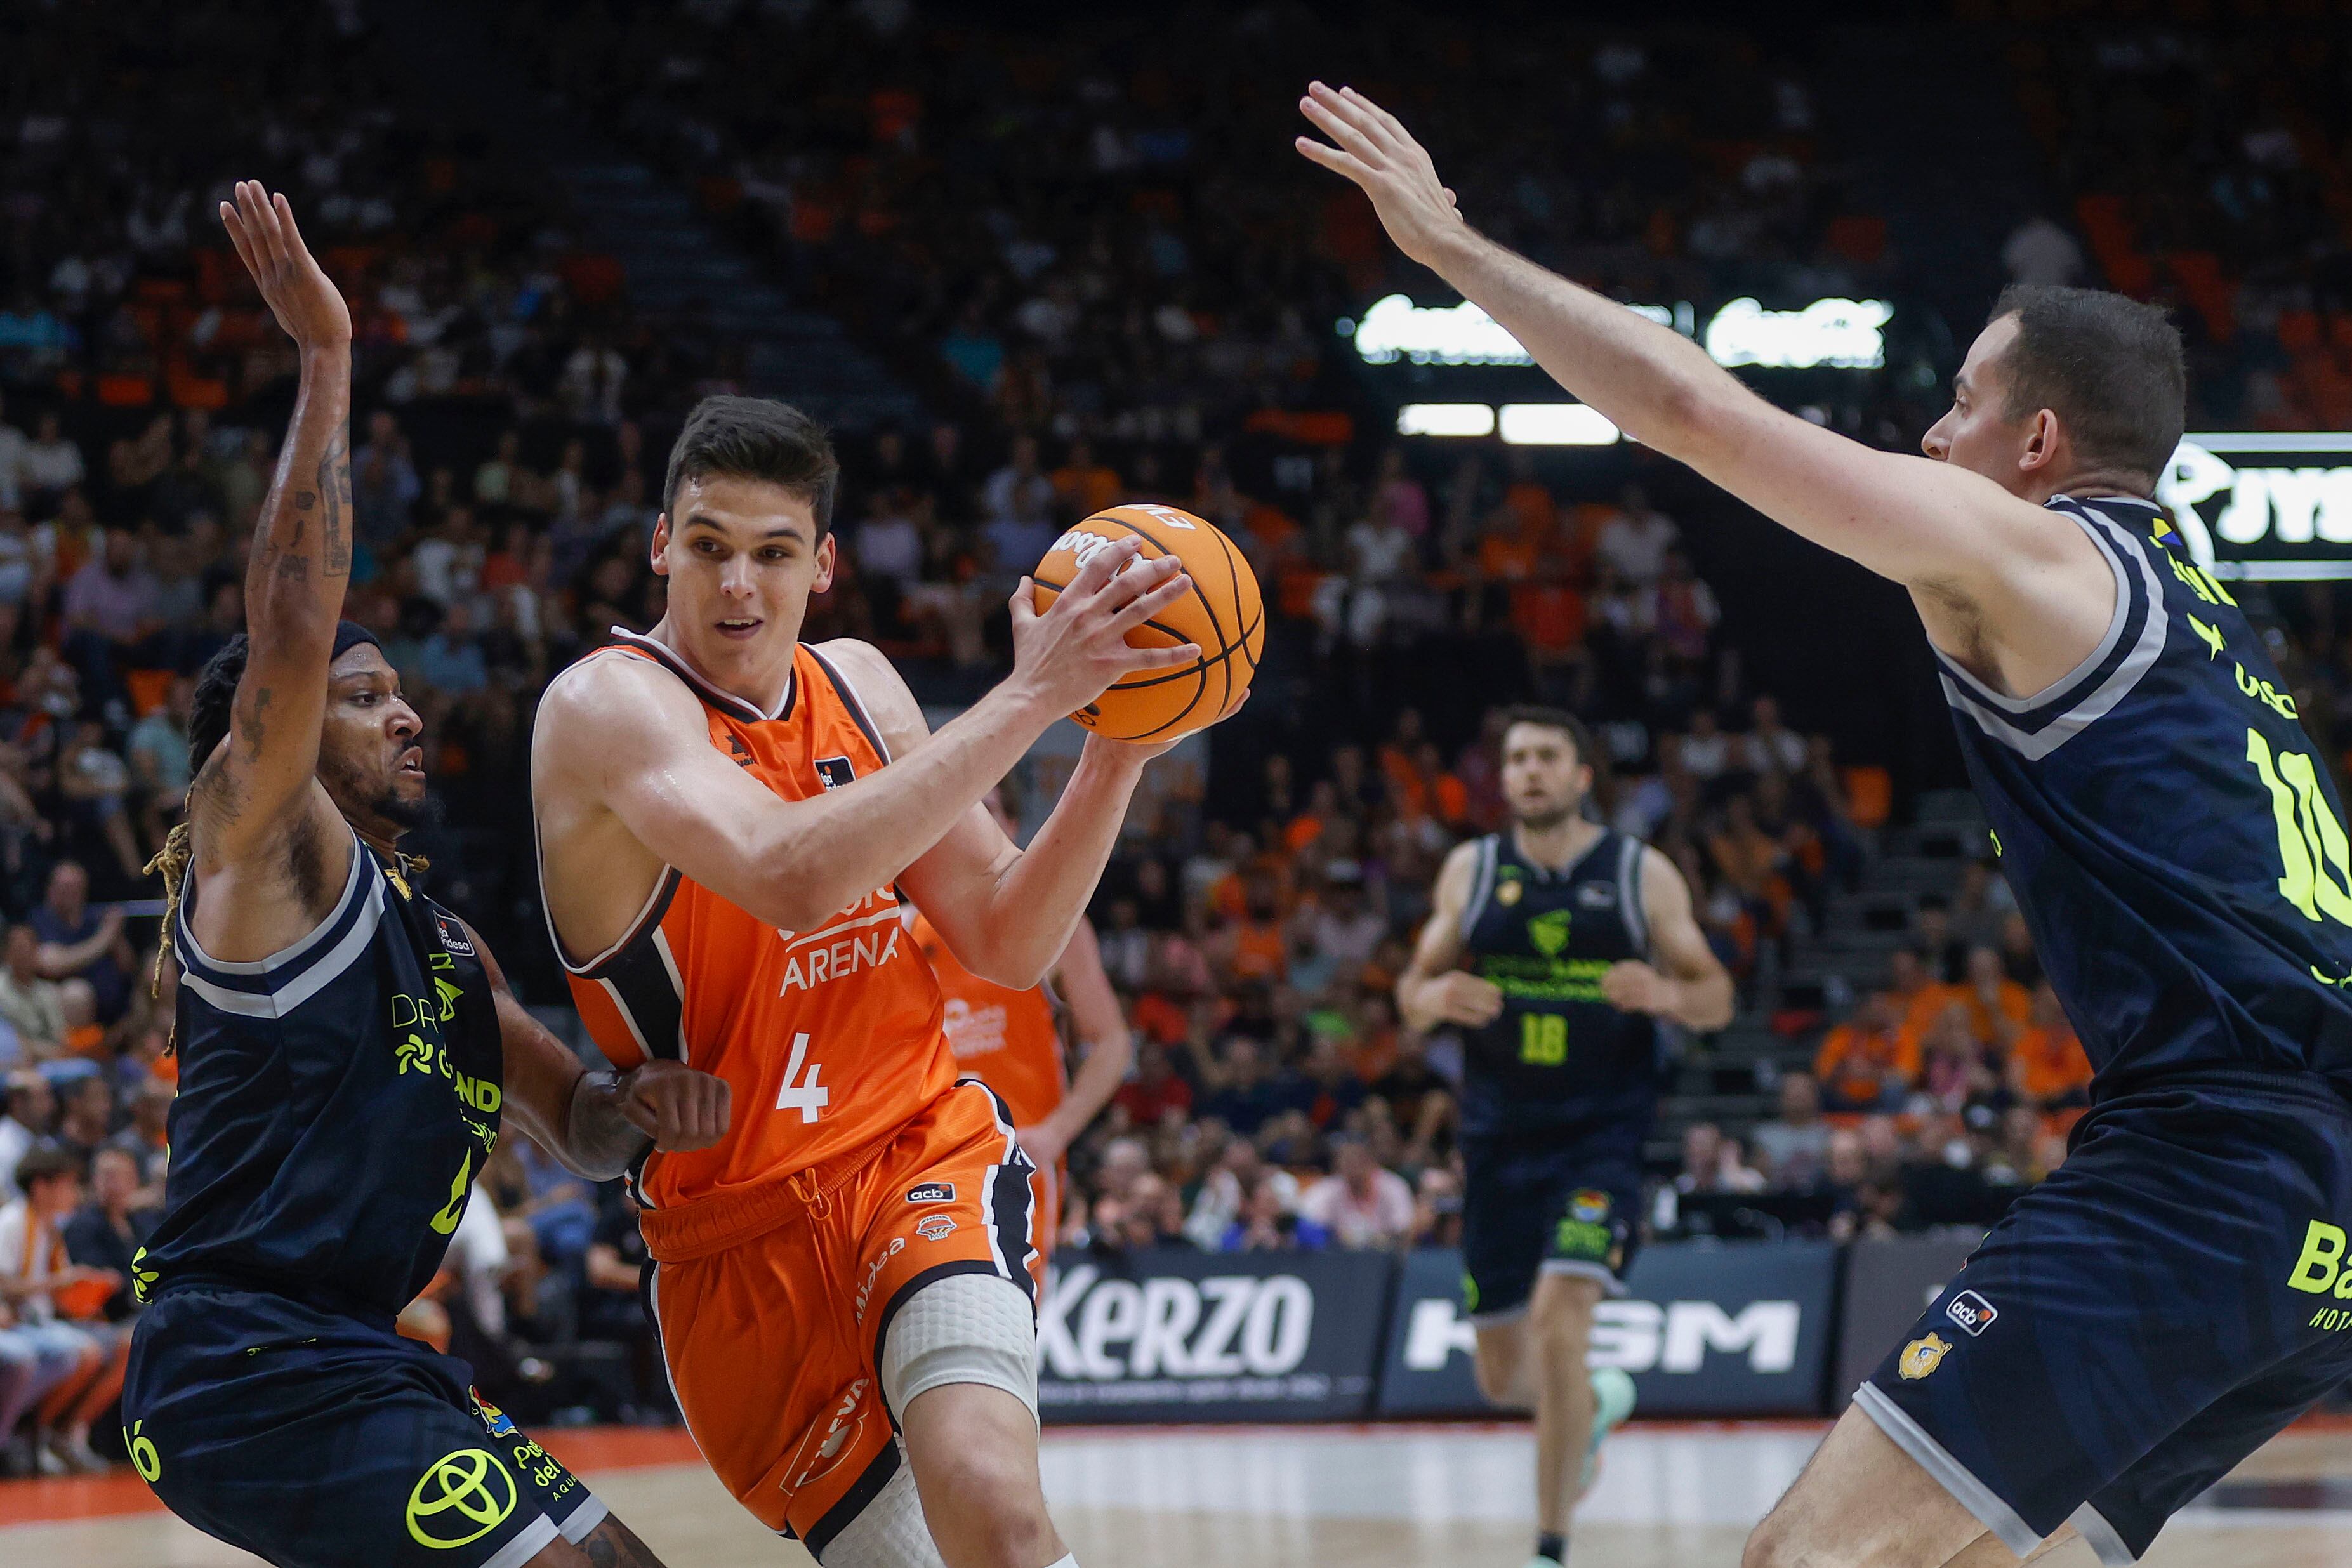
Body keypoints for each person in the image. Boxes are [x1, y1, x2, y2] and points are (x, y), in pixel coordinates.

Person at [1302, 81, 2352, 1567]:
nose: (1929, 437)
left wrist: (1453, 248)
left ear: (2039, 442)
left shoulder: (2038, 555)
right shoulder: (2220, 630)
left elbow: (1689, 410)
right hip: (2324, 1207)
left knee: (1800, 1560)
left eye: (1961, 407)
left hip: (2208, 1170)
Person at [119, 183, 724, 1568]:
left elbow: (574, 1120)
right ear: (263, 741)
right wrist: (327, 357)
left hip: (360, 1354)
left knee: (629, 1560)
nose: (404, 714)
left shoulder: (447, 942)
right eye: (362, 694)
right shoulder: (258, 864)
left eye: (400, 692)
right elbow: (288, 619)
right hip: (236, 1360)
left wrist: (649, 1103)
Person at [531, 391, 1213, 1568]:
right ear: (659, 546)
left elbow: (1007, 941)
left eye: (773, 553)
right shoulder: (607, 706)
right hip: (735, 1247)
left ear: (825, 564)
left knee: (993, 1508)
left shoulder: (864, 687)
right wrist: (1030, 697)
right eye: (708, 547)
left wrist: (1112, 754)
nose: (738, 585)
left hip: (915, 1150)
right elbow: (786, 874)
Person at [1396, 707, 1734, 1568]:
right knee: (1505, 1376)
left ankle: (1548, 1545)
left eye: (1546, 756)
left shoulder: (1637, 872)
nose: (1529, 770)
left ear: (1583, 775)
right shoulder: (1470, 870)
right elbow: (1410, 985)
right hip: (1498, 1142)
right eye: (1515, 758)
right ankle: (1594, 1403)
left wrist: (1665, 994)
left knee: (1559, 1319)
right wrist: (1432, 999)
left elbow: (1716, 996)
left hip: (1599, 1138)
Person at [907, 788, 1134, 1259]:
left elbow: (1112, 1042)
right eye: (957, 810)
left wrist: (1057, 1131)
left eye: (985, 812)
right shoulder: (903, 929)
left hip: (1018, 1155)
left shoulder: (1054, 919)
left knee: (1011, 1327)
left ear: (1011, 827)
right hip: (925, 1157)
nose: (967, 825)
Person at [0, 1145, 122, 1472]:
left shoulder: (51, 1227)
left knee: (118, 1344)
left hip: (44, 1320)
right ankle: (25, 1434)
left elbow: (63, 1293)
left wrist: (91, 1284)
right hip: (23, 1321)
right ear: (41, 1187)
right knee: (72, 1355)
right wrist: (64, 1281)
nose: (74, 1192)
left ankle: (60, 1433)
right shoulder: (12, 1221)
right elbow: (5, 1286)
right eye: (68, 1184)